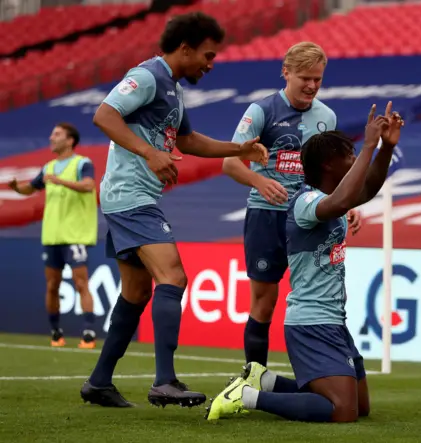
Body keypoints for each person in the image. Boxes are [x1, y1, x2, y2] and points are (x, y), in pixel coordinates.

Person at [79, 11, 268, 409]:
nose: (210, 64)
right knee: (175, 276)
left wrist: (241, 149)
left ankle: (98, 382)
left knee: (136, 292)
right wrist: (149, 153)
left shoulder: (174, 89)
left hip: (135, 197)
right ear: (185, 48)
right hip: (130, 196)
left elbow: (188, 140)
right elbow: (104, 114)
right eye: (208, 55)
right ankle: (165, 381)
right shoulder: (148, 76)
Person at [206, 102, 404, 423]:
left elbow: (365, 188)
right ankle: (248, 396)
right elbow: (341, 200)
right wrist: (368, 144)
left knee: (360, 407)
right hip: (311, 322)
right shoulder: (305, 201)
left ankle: (265, 380)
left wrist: (385, 148)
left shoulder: (330, 198)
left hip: (333, 320)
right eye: (349, 158)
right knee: (342, 411)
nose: (355, 163)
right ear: (328, 165)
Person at [222, 41, 362, 368]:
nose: (312, 86)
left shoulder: (326, 115)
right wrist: (259, 180)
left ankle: (325, 371)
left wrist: (348, 203)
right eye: (305, 78)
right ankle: (253, 376)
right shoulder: (261, 111)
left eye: (318, 79)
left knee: (323, 297)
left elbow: (336, 170)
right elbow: (229, 163)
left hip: (311, 218)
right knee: (264, 302)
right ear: (286, 73)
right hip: (266, 216)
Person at [9, 123, 98, 349]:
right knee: (52, 285)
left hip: (75, 234)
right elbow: (32, 187)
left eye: (56, 134)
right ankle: (56, 332)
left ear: (70, 141)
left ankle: (88, 332)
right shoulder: (49, 167)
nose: (51, 138)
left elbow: (88, 186)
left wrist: (60, 181)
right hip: (52, 235)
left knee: (81, 282)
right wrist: (17, 189)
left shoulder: (82, 163)